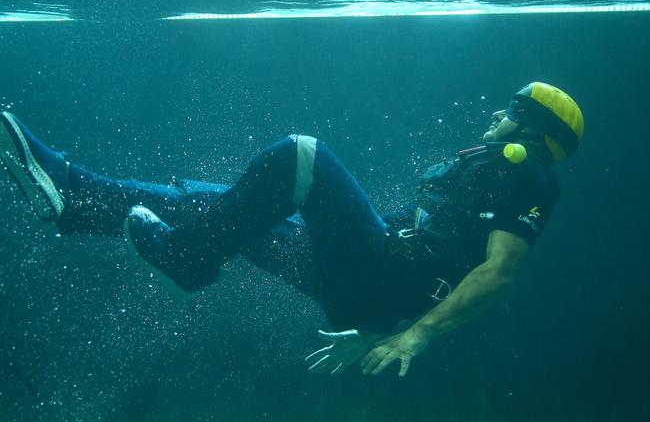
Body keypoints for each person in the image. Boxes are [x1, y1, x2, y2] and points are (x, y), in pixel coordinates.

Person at [0, 81, 584, 377]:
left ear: (529, 123)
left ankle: (186, 259)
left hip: (380, 275)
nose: (493, 115)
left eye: (508, 107)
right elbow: (446, 262)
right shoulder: (498, 171)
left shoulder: (526, 174)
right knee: (219, 203)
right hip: (373, 289)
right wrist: (376, 327)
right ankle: (73, 198)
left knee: (302, 157)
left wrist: (416, 335)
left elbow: (498, 272)